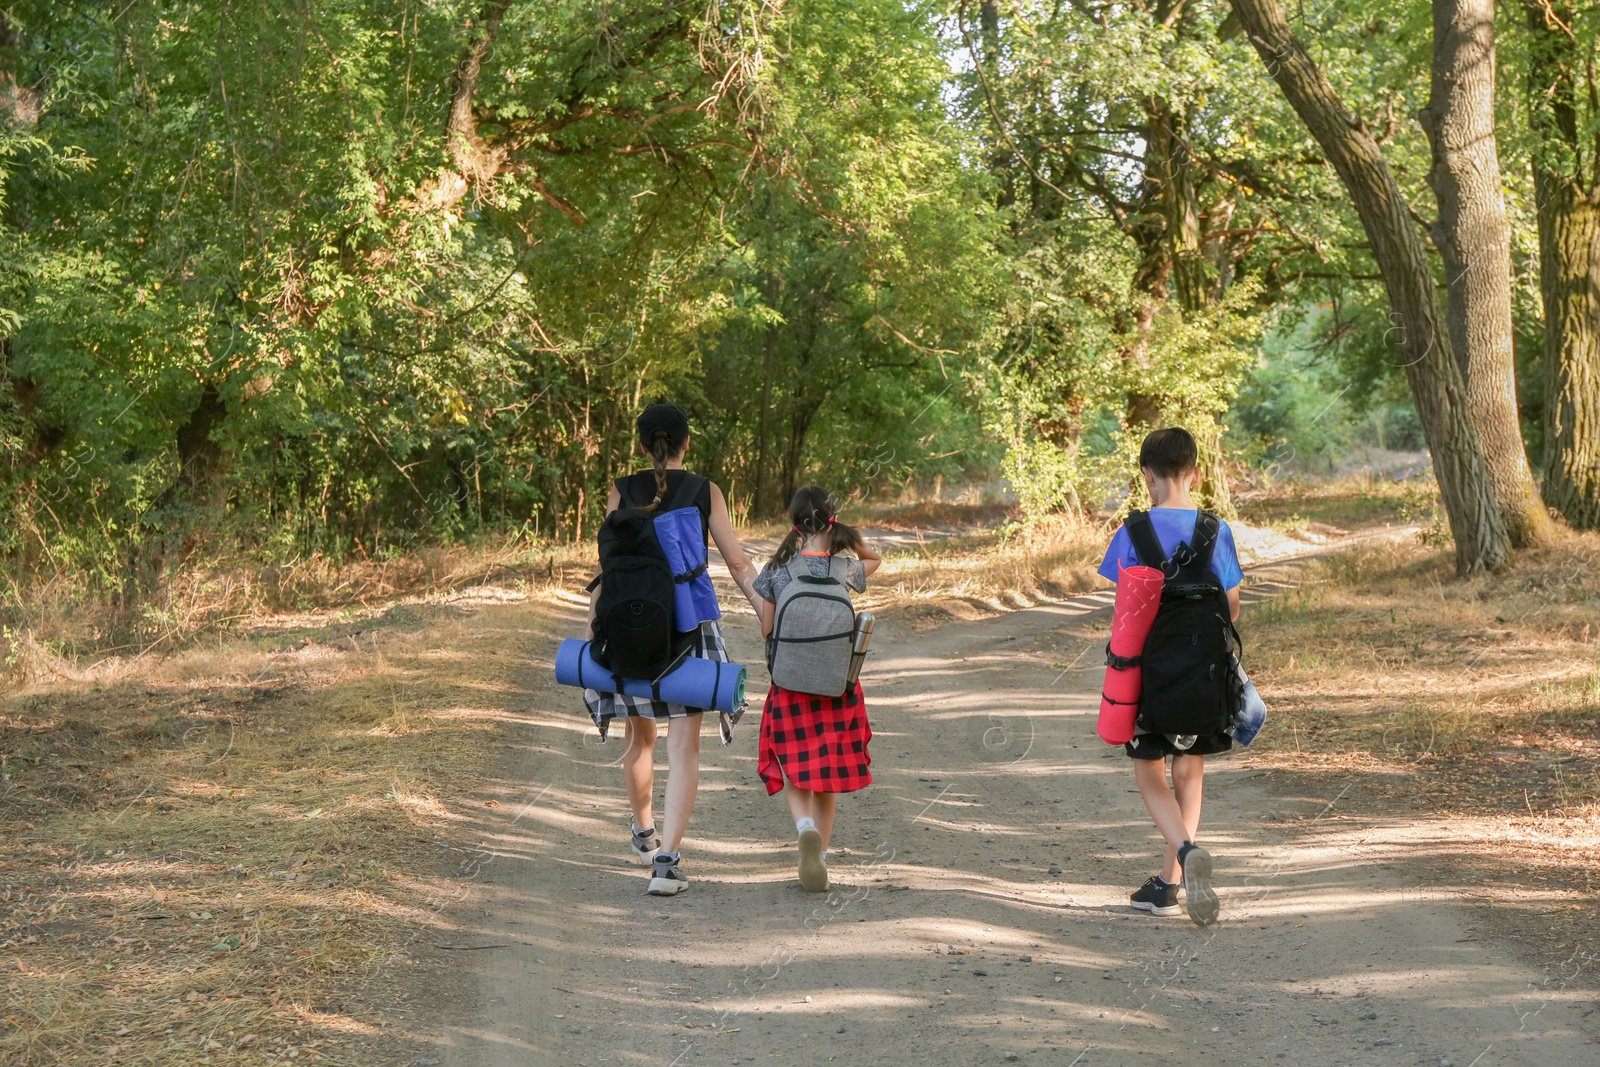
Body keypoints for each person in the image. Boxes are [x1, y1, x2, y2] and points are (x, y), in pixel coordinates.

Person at [583, 403, 764, 896]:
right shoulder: (705, 490)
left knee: (640, 737)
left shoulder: (621, 489)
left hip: (629, 624)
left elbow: (610, 557)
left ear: (642, 446)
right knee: (684, 747)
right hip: (688, 628)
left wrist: (594, 622)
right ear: (688, 442)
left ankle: (643, 835)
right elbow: (737, 561)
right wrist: (768, 608)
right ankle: (666, 863)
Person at [1097, 427, 1243, 926]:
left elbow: (1125, 616)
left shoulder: (1132, 532)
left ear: (1146, 476)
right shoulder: (1216, 530)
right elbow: (1232, 607)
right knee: (1190, 770)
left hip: (1147, 679)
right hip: (1203, 675)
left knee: (1148, 770)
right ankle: (1167, 887)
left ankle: (1184, 853)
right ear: (1196, 474)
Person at [752, 486, 882, 892]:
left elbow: (767, 629)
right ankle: (820, 856)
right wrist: (849, 535)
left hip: (790, 688)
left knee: (796, 771)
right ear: (832, 520)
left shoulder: (778, 571)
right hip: (836, 688)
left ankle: (803, 826)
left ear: (793, 524)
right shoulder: (845, 569)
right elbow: (875, 560)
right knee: (827, 780)